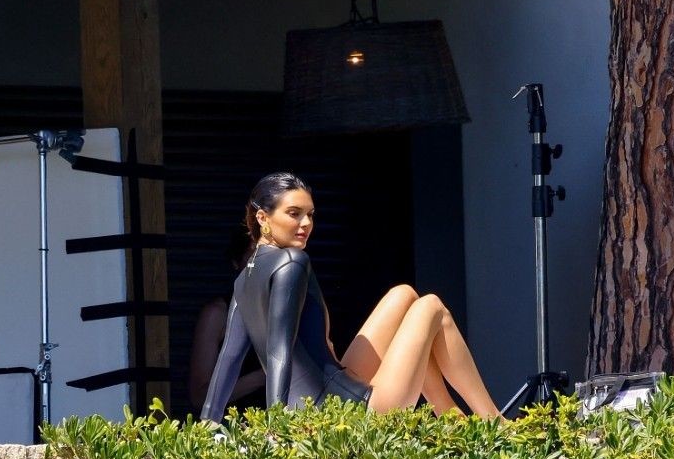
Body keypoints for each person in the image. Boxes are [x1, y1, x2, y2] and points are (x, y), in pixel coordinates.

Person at [200, 172, 504, 422]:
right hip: (352, 412)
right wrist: (277, 424)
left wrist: (208, 423)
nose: (306, 224)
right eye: (294, 214)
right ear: (262, 217)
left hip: (330, 398)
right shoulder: (293, 261)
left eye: (310, 215)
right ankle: (494, 423)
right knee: (431, 307)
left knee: (404, 295)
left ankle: (451, 418)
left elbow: (229, 358)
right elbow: (279, 349)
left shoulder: (243, 280)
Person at [188, 228, 266, 413]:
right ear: (236, 262)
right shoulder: (218, 314)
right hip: (235, 426)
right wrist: (263, 376)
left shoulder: (294, 309)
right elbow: (199, 397)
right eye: (254, 258)